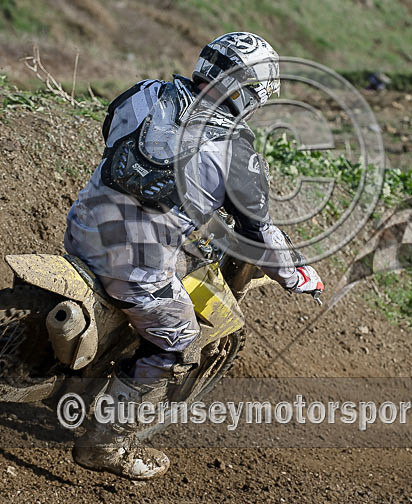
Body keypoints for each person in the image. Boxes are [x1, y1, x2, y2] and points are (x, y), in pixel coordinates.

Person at [64, 32, 324, 480]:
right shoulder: (235, 151)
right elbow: (258, 233)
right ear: (249, 92)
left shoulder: (147, 93)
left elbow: (111, 131)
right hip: (135, 267)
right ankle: (106, 445)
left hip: (83, 227)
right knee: (177, 340)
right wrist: (297, 276)